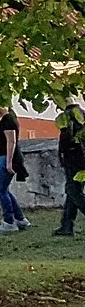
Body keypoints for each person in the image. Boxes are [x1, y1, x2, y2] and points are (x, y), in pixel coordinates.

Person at [0, 107, 28, 232]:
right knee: (4, 189)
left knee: (0, 189)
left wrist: (9, 162)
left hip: (7, 157)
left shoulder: (9, 119)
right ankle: (20, 219)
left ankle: (9, 222)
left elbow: (11, 141)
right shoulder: (2, 118)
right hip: (1, 156)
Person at [55, 101, 85, 238]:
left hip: (74, 161)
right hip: (80, 161)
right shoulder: (81, 114)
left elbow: (65, 140)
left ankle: (66, 226)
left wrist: (61, 156)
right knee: (72, 193)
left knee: (73, 191)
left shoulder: (68, 117)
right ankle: (66, 226)